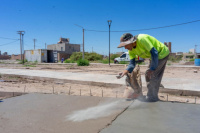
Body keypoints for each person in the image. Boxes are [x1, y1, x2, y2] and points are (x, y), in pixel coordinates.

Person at [117, 33, 169, 102]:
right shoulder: (131, 50)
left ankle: (152, 98)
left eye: (125, 45)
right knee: (149, 74)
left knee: (153, 75)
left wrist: (152, 68)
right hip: (153, 56)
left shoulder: (142, 39)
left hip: (162, 53)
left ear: (132, 41)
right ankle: (151, 96)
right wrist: (125, 71)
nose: (125, 48)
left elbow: (154, 52)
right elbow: (132, 64)